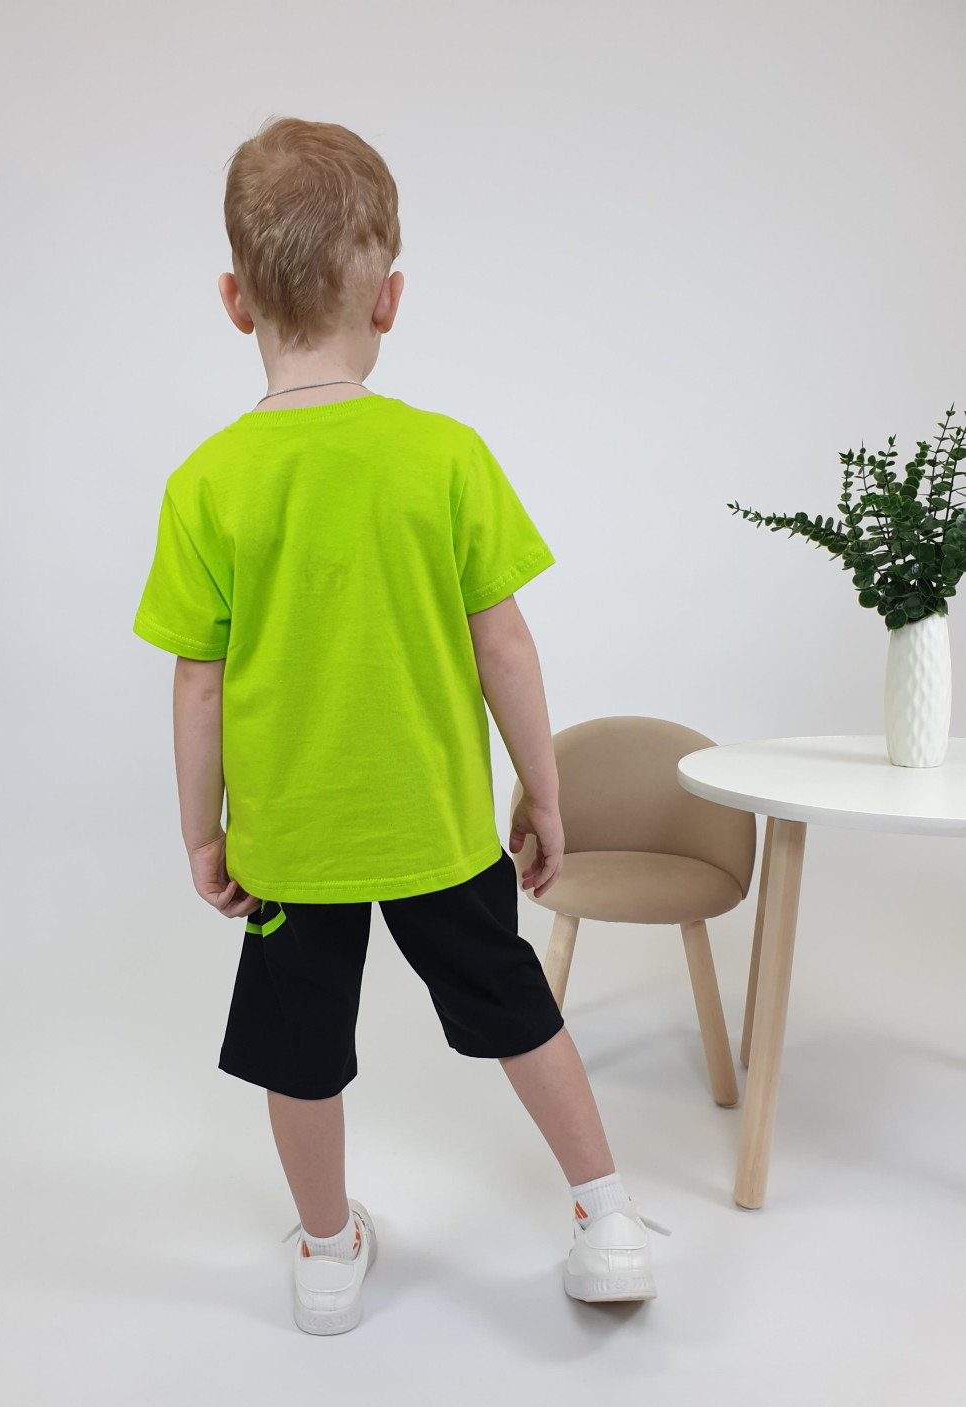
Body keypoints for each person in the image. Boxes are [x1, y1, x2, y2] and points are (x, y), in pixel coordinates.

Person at [133, 115, 665, 1336]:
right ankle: (609, 1217)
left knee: (298, 1047)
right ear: (390, 299)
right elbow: (505, 645)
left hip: (290, 842)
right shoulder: (446, 456)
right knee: (517, 1006)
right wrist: (544, 790)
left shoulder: (206, 482)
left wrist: (203, 832)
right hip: (437, 826)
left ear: (234, 300)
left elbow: (198, 684)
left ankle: (328, 1251)